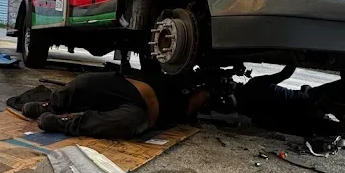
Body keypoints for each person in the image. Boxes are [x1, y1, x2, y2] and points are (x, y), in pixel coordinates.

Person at [15, 70, 210, 140]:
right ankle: (51, 104)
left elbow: (195, 102)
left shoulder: (184, 104)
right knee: (86, 82)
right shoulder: (171, 74)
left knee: (127, 121)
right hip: (126, 86)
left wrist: (208, 90)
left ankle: (64, 123)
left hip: (143, 111)